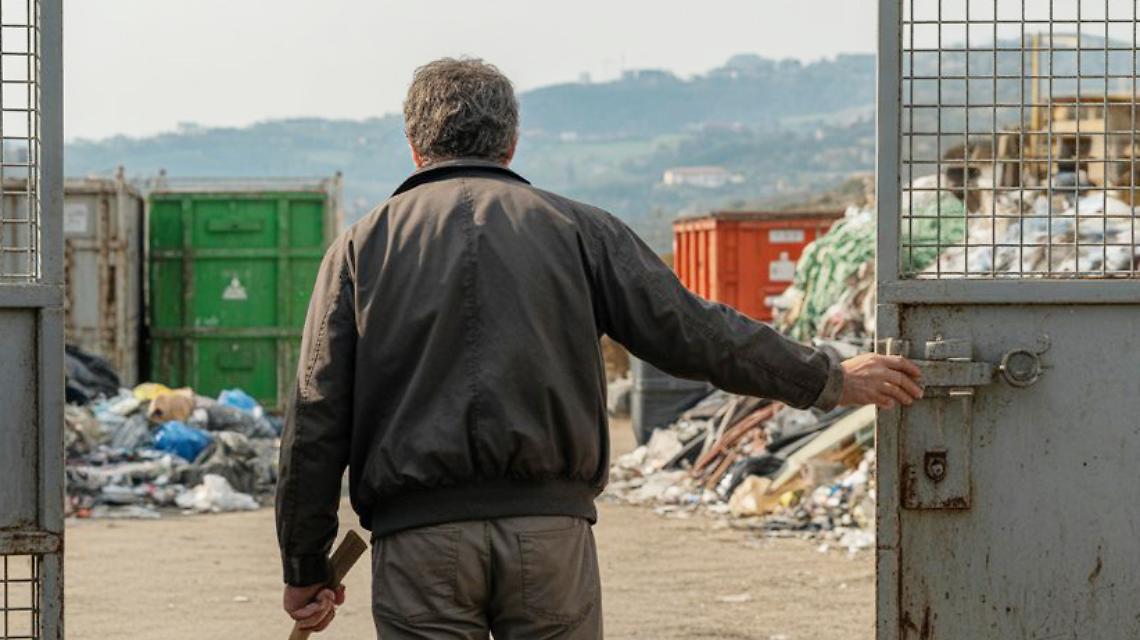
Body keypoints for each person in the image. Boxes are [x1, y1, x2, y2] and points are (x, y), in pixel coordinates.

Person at [276, 57, 923, 639]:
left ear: (415, 145)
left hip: (419, 548)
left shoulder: (361, 248)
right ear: (511, 141)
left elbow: (315, 416)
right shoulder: (578, 230)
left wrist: (306, 563)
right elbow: (695, 332)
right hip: (550, 543)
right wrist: (829, 376)